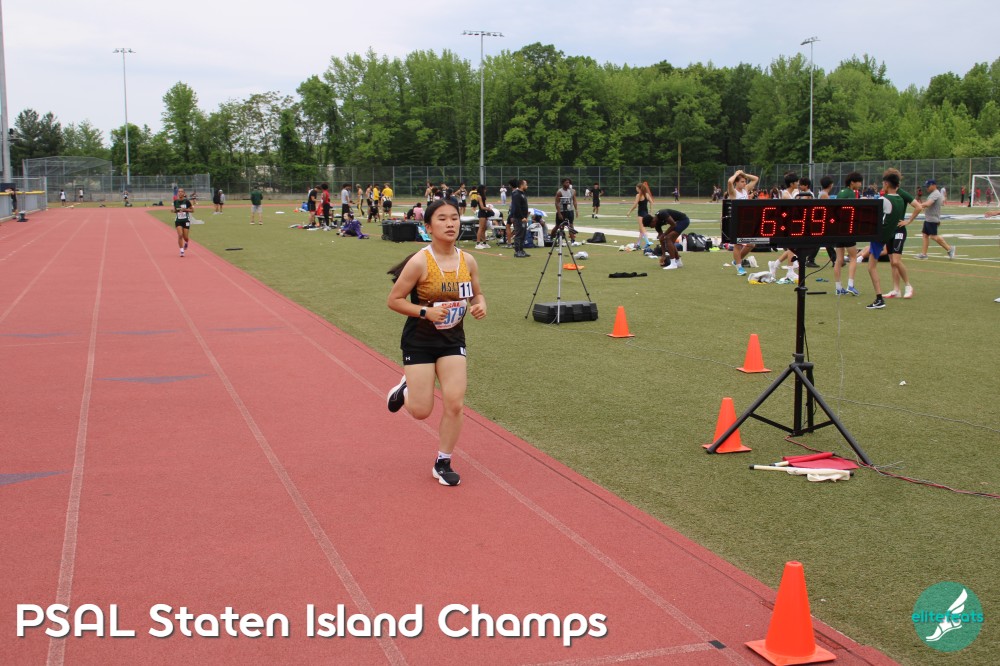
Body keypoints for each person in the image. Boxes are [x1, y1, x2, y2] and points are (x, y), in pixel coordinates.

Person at [385, 198, 487, 487]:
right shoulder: (419, 262)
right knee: (421, 411)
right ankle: (404, 390)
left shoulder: (468, 261)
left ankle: (443, 462)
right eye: (442, 219)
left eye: (454, 217)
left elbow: (477, 294)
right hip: (419, 341)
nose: (450, 223)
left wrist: (480, 305)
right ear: (428, 227)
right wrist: (425, 312)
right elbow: (394, 300)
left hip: (452, 340)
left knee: (455, 403)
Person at [866, 168, 923, 309]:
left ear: (887, 183)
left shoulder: (898, 195)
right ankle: (896, 289)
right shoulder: (894, 196)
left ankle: (907, 286)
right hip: (890, 231)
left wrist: (908, 221)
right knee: (892, 262)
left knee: (895, 261)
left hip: (896, 231)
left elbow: (918, 207)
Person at [834, 172, 864, 296]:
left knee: (839, 260)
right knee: (853, 257)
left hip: (838, 229)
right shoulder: (851, 193)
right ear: (852, 182)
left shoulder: (840, 193)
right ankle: (850, 285)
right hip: (847, 228)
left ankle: (838, 287)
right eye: (859, 182)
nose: (860, 184)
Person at [726, 169, 760, 276]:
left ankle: (737, 261)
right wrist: (736, 174)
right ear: (736, 182)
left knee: (751, 244)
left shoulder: (745, 189)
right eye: (742, 181)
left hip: (746, 220)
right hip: (736, 220)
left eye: (745, 181)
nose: (744, 183)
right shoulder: (733, 192)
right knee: (738, 244)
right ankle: (739, 268)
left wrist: (744, 174)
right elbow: (729, 182)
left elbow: (755, 179)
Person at [914, 180, 955, 260]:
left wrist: (918, 205)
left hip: (932, 219)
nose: (927, 188)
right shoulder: (933, 193)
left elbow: (928, 204)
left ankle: (949, 249)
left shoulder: (935, 194)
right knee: (925, 235)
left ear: (933, 185)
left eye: (928, 186)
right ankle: (924, 254)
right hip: (928, 218)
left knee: (933, 236)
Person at [625, 181, 654, 247]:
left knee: (642, 229)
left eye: (636, 188)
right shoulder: (647, 194)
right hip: (646, 213)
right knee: (641, 230)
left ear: (639, 188)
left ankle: (647, 242)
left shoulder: (638, 195)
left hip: (641, 214)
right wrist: (651, 212)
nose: (636, 189)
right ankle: (638, 244)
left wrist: (629, 211)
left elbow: (635, 205)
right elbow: (651, 202)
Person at [553, 178, 579, 244]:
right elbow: (557, 203)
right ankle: (551, 237)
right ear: (563, 183)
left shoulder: (572, 191)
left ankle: (573, 240)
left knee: (571, 225)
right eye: (566, 182)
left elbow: (574, 200)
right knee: (558, 226)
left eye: (569, 182)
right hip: (562, 211)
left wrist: (576, 210)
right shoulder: (559, 192)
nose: (568, 184)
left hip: (570, 210)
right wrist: (559, 213)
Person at [510, 179, 530, 258]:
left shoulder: (522, 193)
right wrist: (522, 217)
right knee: (518, 235)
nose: (527, 186)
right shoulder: (516, 194)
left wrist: (526, 215)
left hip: (524, 218)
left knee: (523, 234)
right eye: (526, 184)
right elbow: (517, 207)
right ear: (522, 185)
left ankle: (521, 250)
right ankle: (517, 251)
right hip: (519, 218)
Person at [174, 187, 194, 257]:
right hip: (178, 220)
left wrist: (185, 209)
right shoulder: (175, 201)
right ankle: (181, 250)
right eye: (179, 191)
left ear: (184, 193)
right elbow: (175, 210)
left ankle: (186, 242)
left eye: (181, 191)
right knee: (180, 235)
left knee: (185, 237)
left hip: (186, 220)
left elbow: (192, 210)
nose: (180, 193)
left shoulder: (187, 201)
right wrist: (174, 211)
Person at [474, 185, 491, 249]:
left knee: (484, 228)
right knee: (480, 228)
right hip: (481, 213)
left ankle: (484, 243)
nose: (485, 190)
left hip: (485, 213)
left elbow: (484, 205)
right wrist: (488, 209)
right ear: (482, 189)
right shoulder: (479, 196)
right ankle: (478, 243)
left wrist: (488, 208)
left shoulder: (483, 196)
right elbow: (482, 207)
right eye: (484, 189)